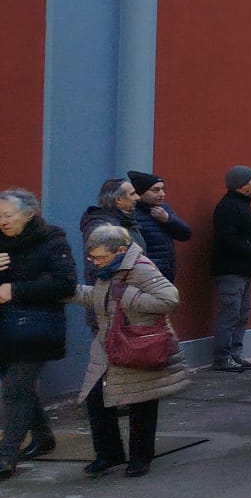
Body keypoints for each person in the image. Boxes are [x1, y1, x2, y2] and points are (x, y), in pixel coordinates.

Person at [78, 223, 190, 479]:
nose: (94, 262)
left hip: (139, 344)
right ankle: (108, 454)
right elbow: (101, 298)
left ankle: (140, 458)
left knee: (142, 402)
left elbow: (169, 298)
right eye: (92, 257)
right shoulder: (109, 269)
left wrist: (127, 295)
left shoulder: (139, 268)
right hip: (113, 344)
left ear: (119, 251)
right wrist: (69, 293)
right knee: (96, 397)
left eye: (99, 257)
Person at [0, 190, 76, 478]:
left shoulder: (52, 240)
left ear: (29, 214)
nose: (3, 222)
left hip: (34, 329)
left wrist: (14, 290)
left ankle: (7, 456)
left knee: (15, 389)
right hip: (4, 328)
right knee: (17, 385)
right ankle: (44, 437)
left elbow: (66, 284)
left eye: (8, 215)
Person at [210, 166, 251, 372]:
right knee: (230, 313)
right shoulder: (228, 207)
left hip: (243, 269)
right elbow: (227, 239)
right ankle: (223, 357)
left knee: (241, 313)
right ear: (241, 184)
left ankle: (235, 354)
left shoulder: (241, 206)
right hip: (231, 269)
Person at [127, 171, 192, 281]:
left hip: (166, 271)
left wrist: (168, 220)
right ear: (140, 193)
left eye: (162, 189)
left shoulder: (163, 209)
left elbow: (185, 234)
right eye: (155, 190)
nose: (162, 194)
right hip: (145, 274)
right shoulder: (131, 213)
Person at [79, 178, 137, 284]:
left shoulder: (127, 220)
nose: (137, 198)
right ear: (118, 200)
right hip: (113, 291)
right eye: (132, 194)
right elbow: (97, 264)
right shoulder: (101, 226)